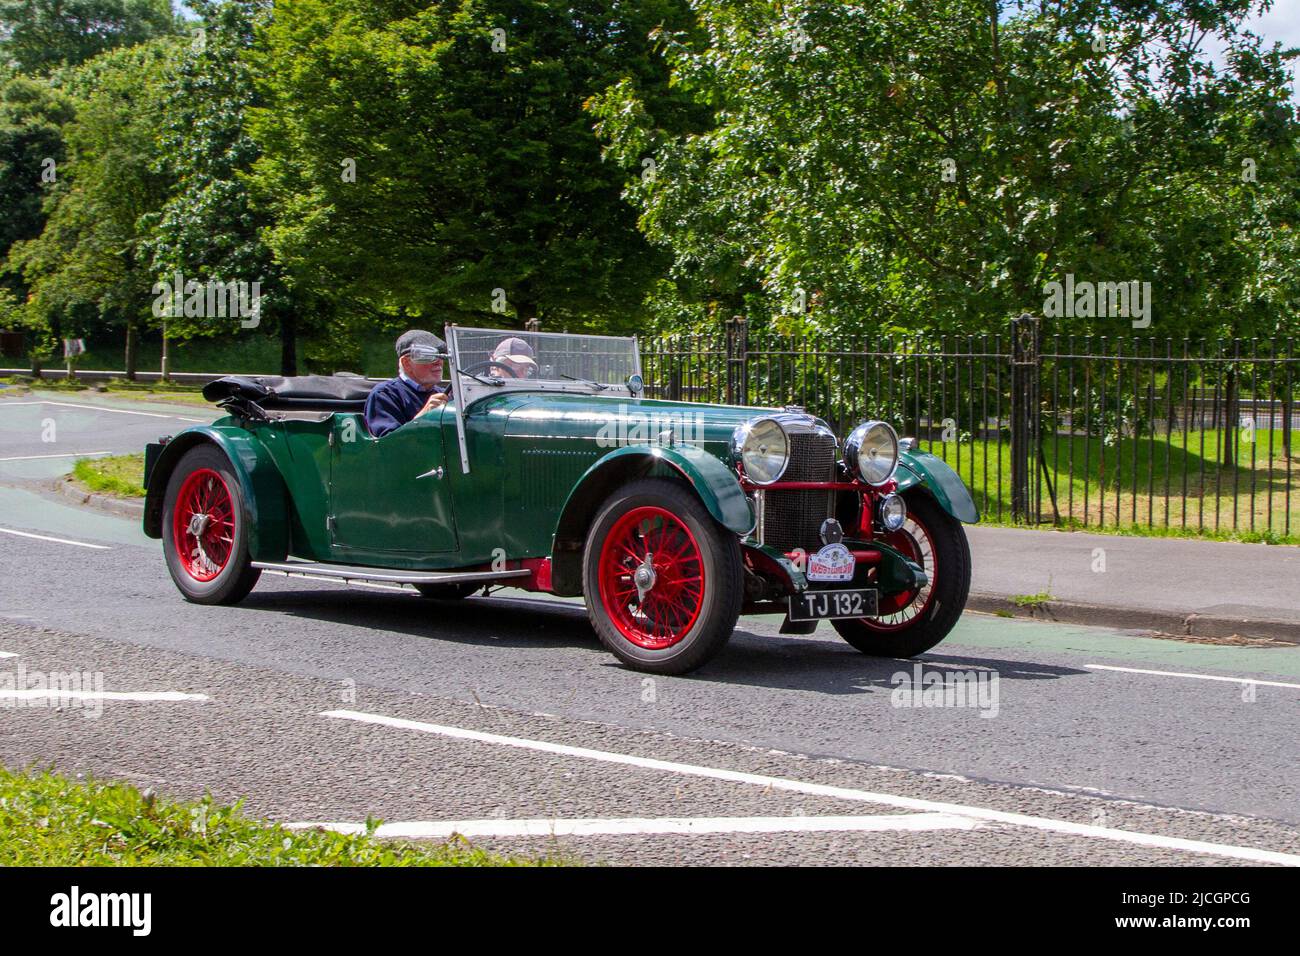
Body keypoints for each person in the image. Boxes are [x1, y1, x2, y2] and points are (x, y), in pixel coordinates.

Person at [364, 330, 450, 437]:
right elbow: (388, 445)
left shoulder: (447, 396)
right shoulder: (385, 394)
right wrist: (424, 417)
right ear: (406, 363)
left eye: (441, 356)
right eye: (427, 355)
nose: (438, 362)